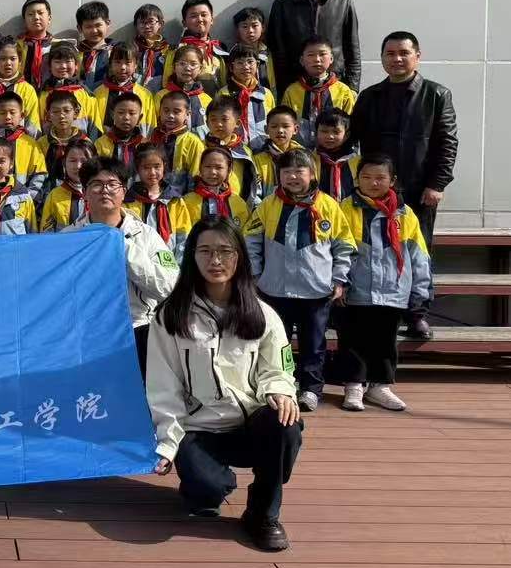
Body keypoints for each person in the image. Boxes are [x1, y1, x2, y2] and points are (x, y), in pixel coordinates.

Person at [147, 216, 302, 552]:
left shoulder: (262, 314)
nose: (215, 260)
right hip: (200, 429)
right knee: (206, 494)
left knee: (286, 423)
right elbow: (163, 387)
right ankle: (205, 482)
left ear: (239, 256)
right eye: (205, 251)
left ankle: (263, 514)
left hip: (249, 423)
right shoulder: (171, 316)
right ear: (191, 257)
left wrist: (280, 390)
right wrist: (168, 443)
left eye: (224, 251)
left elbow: (278, 369)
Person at [349, 30, 457, 341]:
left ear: (417, 57)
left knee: (417, 252)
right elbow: (351, 138)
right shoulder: (369, 96)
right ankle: (378, 311)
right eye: (390, 53)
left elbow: (447, 143)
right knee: (374, 252)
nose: (397, 59)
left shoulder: (436, 95)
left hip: (418, 190)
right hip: (374, 191)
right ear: (382, 58)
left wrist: (437, 184)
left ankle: (417, 314)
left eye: (404, 53)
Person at [245, 148, 355, 412]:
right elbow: (251, 241)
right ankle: (279, 386)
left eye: (299, 171)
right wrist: (256, 276)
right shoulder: (268, 205)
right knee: (275, 342)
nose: (293, 177)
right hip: (275, 290)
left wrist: (338, 279)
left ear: (312, 174)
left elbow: (343, 245)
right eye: (286, 172)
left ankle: (311, 389)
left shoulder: (328, 205)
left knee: (313, 344)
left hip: (316, 291)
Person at [338, 154, 432, 412]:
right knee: (352, 339)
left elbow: (418, 254)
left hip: (393, 289)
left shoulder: (405, 213)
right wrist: (340, 282)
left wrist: (421, 289)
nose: (373, 183)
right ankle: (354, 385)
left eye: (380, 178)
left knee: (385, 340)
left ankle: (380, 386)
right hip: (356, 289)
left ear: (392, 180)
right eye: (366, 177)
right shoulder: (345, 209)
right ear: (357, 179)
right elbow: (337, 249)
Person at [67, 156, 178, 374]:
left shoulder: (145, 236)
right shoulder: (69, 238)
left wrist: (122, 246)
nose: (105, 191)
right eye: (96, 185)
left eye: (112, 184)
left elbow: (169, 287)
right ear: (85, 192)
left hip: (138, 332)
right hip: (86, 337)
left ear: (124, 192)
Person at [267, 0, 361, 92]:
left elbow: (352, 50)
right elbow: (277, 52)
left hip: (336, 86)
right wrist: (284, 90)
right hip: (296, 88)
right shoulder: (282, 5)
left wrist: (352, 88)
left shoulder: (343, 2)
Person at [281, 35, 357, 146]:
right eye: (311, 55)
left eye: (322, 54)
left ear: (331, 59)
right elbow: (285, 124)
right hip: (300, 152)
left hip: (335, 152)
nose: (317, 59)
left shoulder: (343, 91)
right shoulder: (292, 91)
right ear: (302, 60)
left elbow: (351, 126)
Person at [125, 143, 193, 258]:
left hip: (170, 261)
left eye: (157, 167)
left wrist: (179, 263)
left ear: (164, 166)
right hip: (138, 260)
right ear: (137, 169)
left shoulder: (175, 201)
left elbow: (184, 235)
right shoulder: (128, 201)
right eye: (146, 167)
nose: (152, 172)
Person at [198, 97, 261, 207]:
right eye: (213, 120)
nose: (219, 124)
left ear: (237, 123)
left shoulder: (244, 151)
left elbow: (253, 182)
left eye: (224, 119)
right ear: (207, 122)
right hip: (204, 206)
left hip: (237, 207)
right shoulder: (200, 148)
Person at [0, 92, 47, 203]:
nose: (7, 117)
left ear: (22, 116)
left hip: (23, 202)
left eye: (12, 113)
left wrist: (28, 198)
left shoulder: (30, 144)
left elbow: (40, 174)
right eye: (2, 113)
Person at [162, 0, 227, 92]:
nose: (200, 19)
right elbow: (166, 85)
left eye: (204, 15)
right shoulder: (176, 51)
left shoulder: (219, 51)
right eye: (193, 16)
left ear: (212, 20)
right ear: (184, 22)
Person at [179, 147, 251, 229]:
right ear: (200, 168)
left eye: (219, 167)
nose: (213, 172)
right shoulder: (186, 202)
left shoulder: (238, 203)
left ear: (228, 170)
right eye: (208, 166)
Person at [0, 38, 41, 137]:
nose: (8, 63)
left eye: (13, 59)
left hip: (20, 142)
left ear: (20, 61)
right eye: (2, 59)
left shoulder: (27, 89)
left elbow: (32, 124)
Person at [92, 42, 157, 132]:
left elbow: (150, 127)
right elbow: (93, 127)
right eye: (118, 62)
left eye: (128, 62)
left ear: (135, 65)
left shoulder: (145, 95)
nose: (122, 67)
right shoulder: (98, 93)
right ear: (110, 64)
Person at [219, 44, 275, 145]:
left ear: (257, 65)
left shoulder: (266, 93)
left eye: (250, 62)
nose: (245, 67)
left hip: (263, 147)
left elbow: (273, 121)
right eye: (240, 63)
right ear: (231, 67)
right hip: (235, 148)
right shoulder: (224, 94)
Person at [37, 90, 89, 196]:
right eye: (55, 111)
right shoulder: (41, 143)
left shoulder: (85, 142)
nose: (61, 116)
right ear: (48, 115)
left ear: (76, 113)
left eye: (66, 111)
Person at [39, 138, 96, 231]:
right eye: (73, 161)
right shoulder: (54, 196)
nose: (78, 166)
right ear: (64, 163)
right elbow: (46, 233)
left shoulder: (102, 194)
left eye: (84, 161)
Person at [252, 105, 304, 200]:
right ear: (266, 129)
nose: (280, 131)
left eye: (285, 126)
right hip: (267, 207)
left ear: (295, 129)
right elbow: (255, 195)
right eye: (274, 126)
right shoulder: (258, 159)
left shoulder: (303, 156)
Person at [155, 44, 212, 131]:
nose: (187, 68)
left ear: (200, 69)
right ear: (174, 67)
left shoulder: (206, 99)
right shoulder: (161, 96)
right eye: (182, 63)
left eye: (193, 64)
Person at [96, 93, 149, 174]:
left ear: (140, 118)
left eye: (131, 113)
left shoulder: (145, 144)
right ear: (113, 115)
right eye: (121, 113)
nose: (126, 117)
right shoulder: (101, 143)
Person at [313, 108, 359, 202]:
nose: (330, 136)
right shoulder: (310, 159)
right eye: (324, 131)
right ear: (316, 132)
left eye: (336, 132)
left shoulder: (357, 162)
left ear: (346, 135)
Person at [230, 7, 277, 93]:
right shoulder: (233, 54)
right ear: (237, 30)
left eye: (254, 26)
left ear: (263, 28)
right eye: (245, 26)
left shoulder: (269, 53)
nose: (250, 31)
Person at [17, 0, 54, 88]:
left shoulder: (57, 46)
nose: (36, 17)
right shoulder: (16, 46)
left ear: (49, 18)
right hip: (22, 93)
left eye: (40, 13)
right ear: (24, 20)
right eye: (30, 14)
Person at [75, 0, 113, 90]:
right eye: (88, 27)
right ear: (79, 28)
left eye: (98, 25)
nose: (94, 31)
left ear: (107, 23)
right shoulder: (75, 52)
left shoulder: (116, 51)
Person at [132, 3, 170, 90]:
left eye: (151, 21)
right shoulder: (132, 48)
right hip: (135, 92)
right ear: (136, 26)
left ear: (160, 24)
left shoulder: (168, 49)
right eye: (142, 22)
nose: (147, 26)